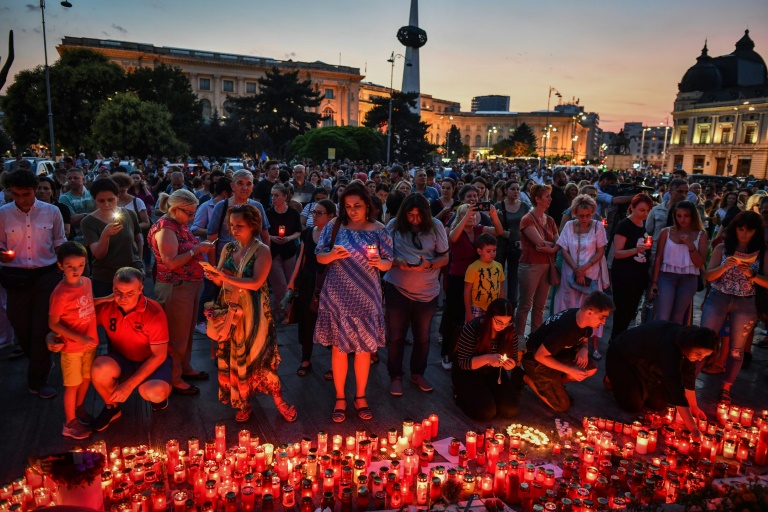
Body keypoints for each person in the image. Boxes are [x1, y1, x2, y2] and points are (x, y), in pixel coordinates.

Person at [203, 204, 297, 423]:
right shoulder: (228, 248)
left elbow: (256, 283)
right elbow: (220, 281)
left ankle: (279, 401)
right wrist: (214, 276)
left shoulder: (262, 250)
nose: (234, 229)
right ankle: (242, 401)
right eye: (232, 225)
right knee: (234, 356)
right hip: (230, 308)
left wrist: (224, 277)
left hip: (254, 313)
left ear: (253, 226)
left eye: (240, 225)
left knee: (260, 355)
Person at [314, 182, 393, 422]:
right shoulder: (334, 225)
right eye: (348, 206)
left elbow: (389, 262)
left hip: (367, 295)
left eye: (357, 205)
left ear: (367, 205)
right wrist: (331, 255)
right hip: (338, 294)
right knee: (339, 349)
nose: (352, 210)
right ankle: (340, 397)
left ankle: (360, 396)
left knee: (364, 350)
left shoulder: (379, 230)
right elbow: (319, 256)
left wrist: (380, 263)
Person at [0, 170, 67, 398]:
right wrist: (2, 254)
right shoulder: (3, 214)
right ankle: (41, 361)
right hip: (15, 277)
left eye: (26, 194)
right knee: (20, 325)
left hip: (46, 275)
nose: (21, 199)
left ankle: (38, 380)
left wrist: (67, 269)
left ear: (35, 189)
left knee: (42, 327)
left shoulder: (52, 211)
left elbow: (59, 241)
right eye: (16, 194)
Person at [89, 267, 172, 431]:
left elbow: (159, 356)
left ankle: (159, 399)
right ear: (112, 288)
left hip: (150, 361)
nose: (122, 298)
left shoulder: (154, 312)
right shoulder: (107, 306)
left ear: (141, 289)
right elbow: (78, 312)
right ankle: (112, 407)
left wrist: (129, 385)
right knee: (99, 368)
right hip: (122, 359)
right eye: (118, 292)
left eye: (130, 293)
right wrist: (104, 299)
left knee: (155, 392)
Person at [149, 190, 214, 396]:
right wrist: (197, 250)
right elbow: (170, 262)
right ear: (176, 209)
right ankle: (174, 377)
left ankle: (184, 367)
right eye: (190, 213)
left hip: (188, 285)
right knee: (176, 336)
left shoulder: (179, 224)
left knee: (186, 332)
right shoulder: (166, 228)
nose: (192, 217)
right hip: (175, 286)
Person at [384, 193, 449, 396]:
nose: (414, 219)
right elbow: (382, 254)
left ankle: (417, 373)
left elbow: (445, 257)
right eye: (410, 215)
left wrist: (429, 264)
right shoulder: (394, 225)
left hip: (427, 292)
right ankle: (395, 376)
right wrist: (397, 261)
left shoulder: (436, 226)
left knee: (422, 337)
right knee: (396, 336)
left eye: (418, 215)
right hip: (397, 288)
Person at [699, 211, 767, 404]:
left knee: (736, 349)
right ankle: (688, 382)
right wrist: (724, 267)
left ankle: (726, 388)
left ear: (756, 232)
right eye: (740, 229)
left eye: (749, 230)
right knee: (703, 340)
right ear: (735, 229)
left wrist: (752, 275)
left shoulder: (763, 253)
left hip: (746, 302)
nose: (744, 234)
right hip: (719, 296)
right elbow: (708, 276)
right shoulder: (722, 247)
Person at [605, 322, 715, 438]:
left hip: (648, 367)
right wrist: (693, 429)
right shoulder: (669, 346)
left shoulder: (688, 347)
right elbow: (675, 389)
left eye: (704, 356)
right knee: (632, 405)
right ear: (689, 344)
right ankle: (612, 378)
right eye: (698, 354)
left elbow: (688, 377)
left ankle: (636, 385)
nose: (700, 359)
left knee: (658, 404)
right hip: (624, 358)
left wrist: (693, 406)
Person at [522, 291, 614, 412]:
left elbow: (585, 338)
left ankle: (553, 385)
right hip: (535, 360)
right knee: (561, 405)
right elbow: (539, 356)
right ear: (589, 312)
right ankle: (525, 378)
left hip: (557, 354)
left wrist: (584, 348)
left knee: (590, 368)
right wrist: (569, 370)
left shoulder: (583, 320)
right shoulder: (565, 330)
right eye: (602, 317)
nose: (604, 322)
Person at [440, 195, 503, 370]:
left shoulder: (479, 230)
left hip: (476, 278)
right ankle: (447, 353)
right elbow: (452, 238)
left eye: (474, 214)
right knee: (454, 316)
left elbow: (498, 231)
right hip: (457, 277)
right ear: (461, 216)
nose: (472, 217)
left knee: (471, 318)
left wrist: (493, 215)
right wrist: (466, 215)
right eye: (467, 214)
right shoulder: (457, 230)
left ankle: (467, 352)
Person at [47, 242, 100, 439]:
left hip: (90, 342)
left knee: (86, 378)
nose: (76, 270)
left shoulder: (87, 282)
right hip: (72, 347)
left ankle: (79, 407)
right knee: (72, 384)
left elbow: (88, 303)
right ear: (60, 265)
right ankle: (69, 423)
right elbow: (53, 323)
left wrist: (108, 298)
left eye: (80, 265)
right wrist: (78, 337)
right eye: (70, 266)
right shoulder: (60, 293)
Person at [286, 199, 337, 376]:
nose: (314, 216)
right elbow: (301, 258)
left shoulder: (336, 236)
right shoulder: (308, 232)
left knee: (332, 321)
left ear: (331, 216)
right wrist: (292, 281)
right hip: (308, 281)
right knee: (307, 320)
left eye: (319, 213)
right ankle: (305, 359)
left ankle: (334, 364)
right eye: (313, 212)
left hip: (329, 281)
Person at [554, 194, 608, 358]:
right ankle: (566, 342)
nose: (584, 219)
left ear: (593, 213)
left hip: (590, 274)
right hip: (570, 273)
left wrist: (584, 268)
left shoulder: (598, 227)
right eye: (581, 215)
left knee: (591, 307)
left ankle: (591, 345)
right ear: (575, 213)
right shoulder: (569, 225)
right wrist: (576, 269)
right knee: (569, 305)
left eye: (588, 215)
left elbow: (600, 251)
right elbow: (563, 249)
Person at [453, 298, 522, 421]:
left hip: (493, 372)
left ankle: (488, 394)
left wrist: (510, 365)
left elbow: (514, 359)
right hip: (468, 372)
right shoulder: (473, 329)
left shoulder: (510, 331)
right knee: (486, 412)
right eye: (499, 322)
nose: (503, 326)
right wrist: (488, 358)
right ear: (490, 316)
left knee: (510, 409)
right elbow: (463, 362)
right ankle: (459, 395)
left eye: (507, 322)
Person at [81, 178, 144, 297]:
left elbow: (139, 239)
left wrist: (139, 263)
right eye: (101, 201)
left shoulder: (129, 214)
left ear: (118, 197)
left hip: (131, 273)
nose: (106, 204)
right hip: (105, 278)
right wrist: (105, 234)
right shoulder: (88, 222)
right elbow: (98, 254)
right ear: (95, 200)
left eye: (111, 200)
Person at [650, 201, 708, 324]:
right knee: (663, 316)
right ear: (674, 216)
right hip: (666, 276)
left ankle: (673, 337)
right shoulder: (666, 232)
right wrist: (654, 282)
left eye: (686, 216)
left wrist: (690, 245)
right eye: (679, 216)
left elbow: (699, 263)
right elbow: (658, 258)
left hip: (689, 278)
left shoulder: (701, 235)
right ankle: (658, 336)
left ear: (693, 216)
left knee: (678, 318)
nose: (682, 219)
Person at [516, 184, 560, 337]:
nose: (550, 199)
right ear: (537, 199)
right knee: (525, 305)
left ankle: (535, 337)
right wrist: (554, 246)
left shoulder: (550, 220)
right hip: (530, 265)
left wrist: (552, 247)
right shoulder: (527, 219)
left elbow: (558, 242)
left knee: (540, 305)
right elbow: (540, 243)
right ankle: (519, 338)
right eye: (547, 196)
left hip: (546, 265)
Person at [610, 193, 654, 341]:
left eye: (647, 210)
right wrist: (636, 250)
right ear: (632, 207)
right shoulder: (624, 225)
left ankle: (620, 340)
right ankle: (615, 340)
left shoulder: (643, 225)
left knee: (631, 311)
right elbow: (617, 253)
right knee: (622, 311)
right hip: (624, 275)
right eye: (642, 210)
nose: (645, 213)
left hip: (638, 275)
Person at [207, 170, 270, 262]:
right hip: (227, 261)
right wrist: (212, 267)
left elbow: (265, 235)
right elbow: (211, 239)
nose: (245, 187)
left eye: (249, 184)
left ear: (252, 187)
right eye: (240, 183)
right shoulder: (221, 207)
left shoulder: (257, 206)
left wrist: (266, 260)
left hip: (254, 261)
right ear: (232, 186)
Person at [266, 183, 302, 322]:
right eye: (272, 195)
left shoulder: (293, 213)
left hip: (289, 252)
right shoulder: (268, 213)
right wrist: (272, 237)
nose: (273, 198)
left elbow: (298, 231)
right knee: (279, 285)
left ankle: (289, 312)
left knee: (290, 284)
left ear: (285, 197)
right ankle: (281, 312)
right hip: (273, 252)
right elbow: (262, 232)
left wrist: (289, 238)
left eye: (276, 195)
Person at [495, 180, 530, 307]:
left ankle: (512, 304)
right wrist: (501, 231)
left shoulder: (524, 206)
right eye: (513, 189)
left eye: (518, 189)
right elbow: (492, 224)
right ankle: (497, 302)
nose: (516, 191)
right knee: (498, 273)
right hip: (501, 244)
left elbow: (529, 225)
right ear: (506, 190)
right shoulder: (498, 206)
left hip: (517, 245)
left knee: (514, 275)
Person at [646, 178, 690, 260]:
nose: (683, 195)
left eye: (686, 192)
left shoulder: (690, 213)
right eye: (680, 191)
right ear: (670, 191)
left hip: (677, 255)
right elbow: (648, 231)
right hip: (656, 252)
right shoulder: (656, 210)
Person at [464, 234, 505, 321]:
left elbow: (501, 287)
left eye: (494, 250)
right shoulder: (473, 268)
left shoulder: (498, 266)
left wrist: (502, 306)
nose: (492, 253)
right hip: (477, 308)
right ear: (479, 251)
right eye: (488, 251)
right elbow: (467, 291)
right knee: (476, 329)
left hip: (495, 307)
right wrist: (468, 312)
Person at [59, 167, 96, 243]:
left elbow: (102, 214)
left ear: (83, 179)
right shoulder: (64, 198)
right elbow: (72, 219)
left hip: (95, 237)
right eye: (69, 178)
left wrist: (81, 216)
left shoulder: (93, 195)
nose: (72, 180)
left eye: (76, 178)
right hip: (76, 240)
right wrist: (95, 214)